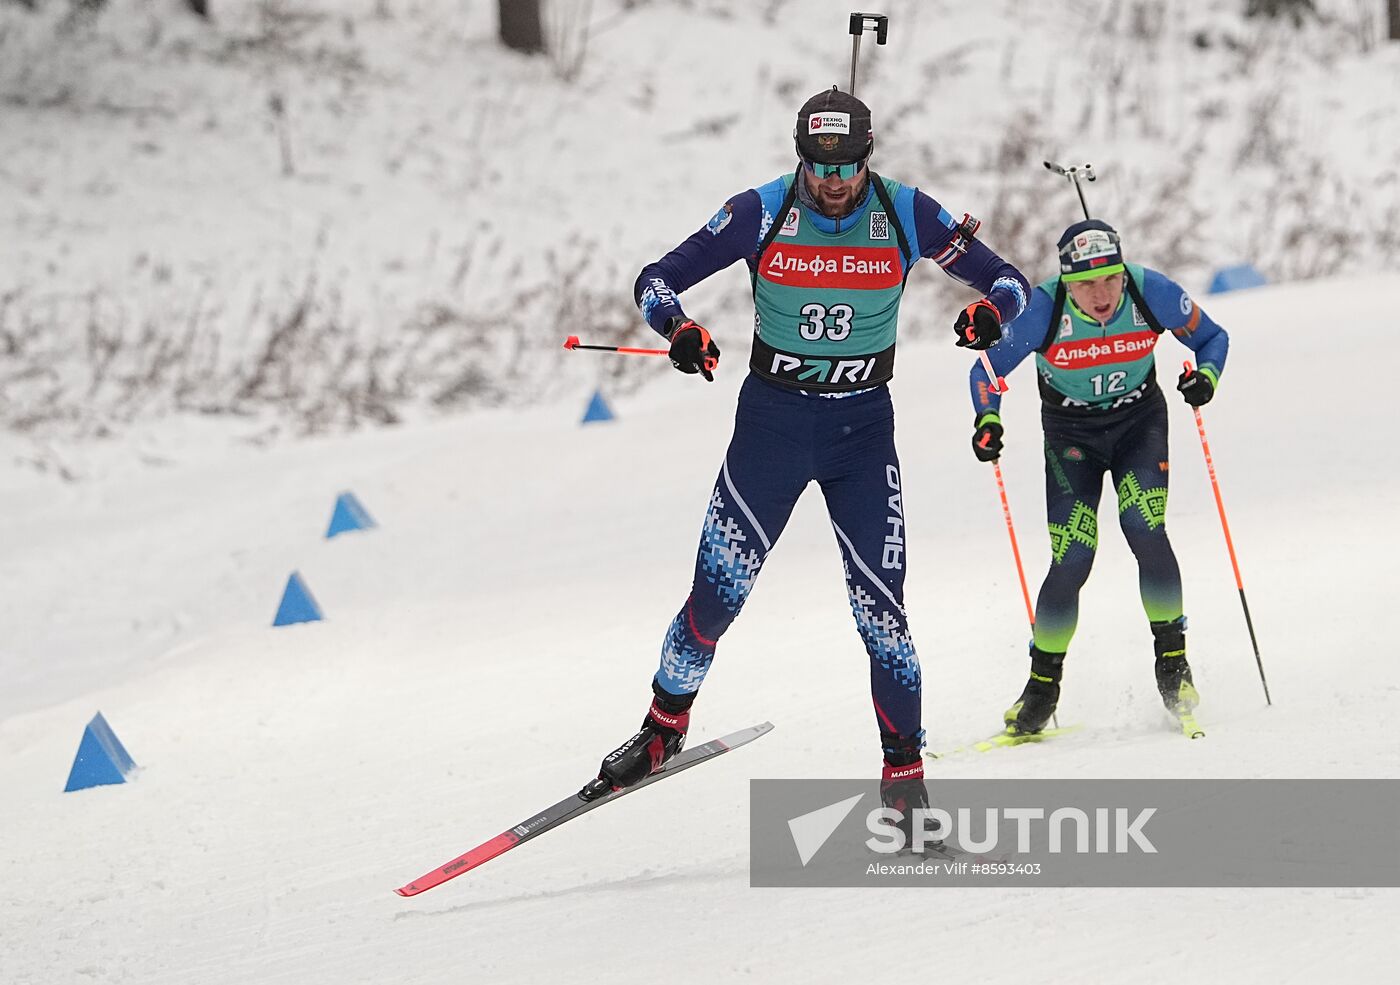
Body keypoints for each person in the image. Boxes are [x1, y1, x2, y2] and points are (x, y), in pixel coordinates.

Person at [580, 86, 1030, 822]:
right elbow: (655, 279)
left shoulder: (906, 211)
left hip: (861, 435)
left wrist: (988, 313)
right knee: (716, 598)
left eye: (848, 165)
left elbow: (1011, 282)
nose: (833, 181)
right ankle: (663, 727)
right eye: (820, 166)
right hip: (774, 426)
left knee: (883, 615)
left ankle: (906, 788)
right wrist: (680, 328)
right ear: (801, 158)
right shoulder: (761, 210)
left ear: (867, 158)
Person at [965, 218, 1229, 734]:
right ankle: (1041, 689)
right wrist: (988, 420)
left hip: (1138, 426)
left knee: (1144, 528)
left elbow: (1212, 338)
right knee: (1072, 558)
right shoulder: (1043, 307)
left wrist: (1206, 378)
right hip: (1072, 439)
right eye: (1086, 284)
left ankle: (1173, 666)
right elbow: (986, 371)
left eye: (1110, 278)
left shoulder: (1149, 290)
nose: (1102, 294)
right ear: (1067, 282)